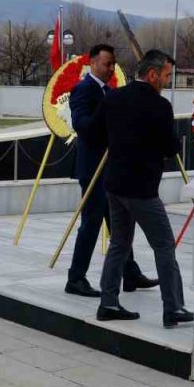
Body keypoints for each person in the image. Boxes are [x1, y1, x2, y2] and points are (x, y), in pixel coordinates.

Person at [89, 49, 194, 328]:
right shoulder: (159, 106)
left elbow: (94, 133)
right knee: (164, 245)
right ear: (152, 74)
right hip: (142, 189)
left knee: (119, 244)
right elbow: (170, 149)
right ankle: (173, 307)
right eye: (166, 76)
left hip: (114, 184)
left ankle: (108, 302)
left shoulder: (113, 97)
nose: (167, 81)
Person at [65, 44, 158, 297]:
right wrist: (109, 121)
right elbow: (82, 125)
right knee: (91, 223)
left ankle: (130, 274)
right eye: (106, 64)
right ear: (92, 63)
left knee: (120, 224)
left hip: (112, 169)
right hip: (93, 169)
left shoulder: (110, 91)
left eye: (112, 64)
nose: (110, 69)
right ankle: (75, 278)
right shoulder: (83, 90)